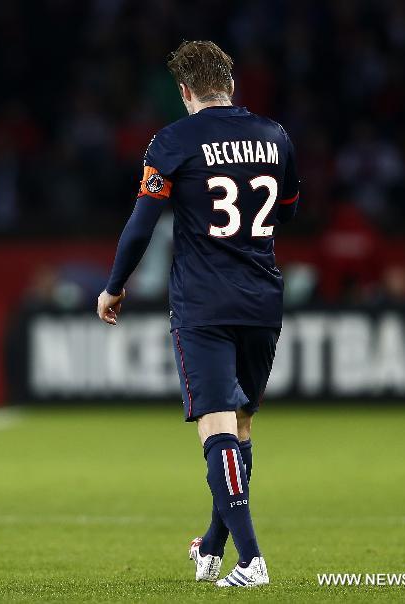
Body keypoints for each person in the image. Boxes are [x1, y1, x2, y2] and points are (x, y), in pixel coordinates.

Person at [95, 40, 300, 588]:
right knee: (242, 423)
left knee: (215, 423)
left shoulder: (173, 141)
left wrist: (114, 286)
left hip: (205, 301)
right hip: (262, 297)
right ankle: (212, 544)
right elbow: (288, 207)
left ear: (185, 91)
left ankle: (251, 560)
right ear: (231, 84)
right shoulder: (275, 136)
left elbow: (142, 225)